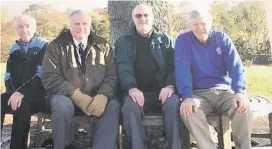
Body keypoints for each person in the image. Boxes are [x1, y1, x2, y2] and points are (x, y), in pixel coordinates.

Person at [175, 7, 253, 149]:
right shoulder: (182, 41)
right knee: (188, 112)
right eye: (195, 24)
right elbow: (182, 70)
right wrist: (186, 96)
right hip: (198, 94)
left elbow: (236, 66)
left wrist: (240, 92)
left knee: (244, 107)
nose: (200, 28)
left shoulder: (222, 38)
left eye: (203, 23)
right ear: (190, 25)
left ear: (211, 22)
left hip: (223, 91)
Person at [41, 10, 120, 149]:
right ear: (69, 25)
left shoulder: (103, 45)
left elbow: (112, 75)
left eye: (85, 23)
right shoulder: (55, 46)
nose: (81, 27)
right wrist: (75, 95)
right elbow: (50, 77)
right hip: (67, 98)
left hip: (96, 98)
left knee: (113, 105)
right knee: (61, 105)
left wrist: (104, 95)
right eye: (76, 23)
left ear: (90, 25)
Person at [115, 4, 181, 149]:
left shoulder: (165, 40)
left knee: (174, 104)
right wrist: (131, 88)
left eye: (146, 15)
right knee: (129, 108)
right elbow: (123, 67)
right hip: (136, 93)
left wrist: (170, 85)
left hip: (162, 93)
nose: (143, 19)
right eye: (138, 16)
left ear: (152, 17)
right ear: (133, 19)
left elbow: (174, 66)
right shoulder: (123, 42)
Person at [1, 14, 48, 149]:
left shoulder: (44, 45)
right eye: (20, 27)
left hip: (38, 94)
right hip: (16, 93)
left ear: (34, 27)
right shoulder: (14, 49)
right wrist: (12, 92)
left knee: (21, 106)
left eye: (28, 26)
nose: (24, 30)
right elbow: (8, 75)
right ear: (16, 29)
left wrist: (21, 92)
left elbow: (41, 75)